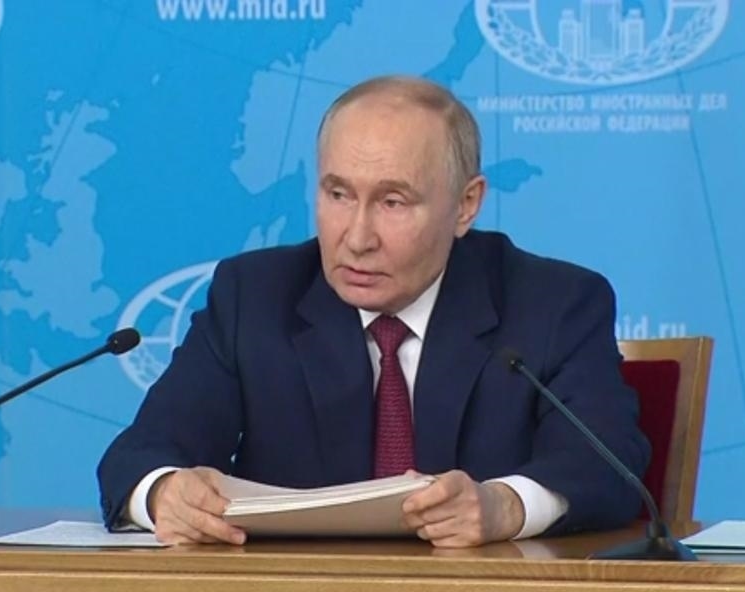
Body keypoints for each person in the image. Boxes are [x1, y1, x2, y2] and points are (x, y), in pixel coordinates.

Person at [97, 75, 649, 548]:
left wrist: (505, 506)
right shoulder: (254, 297)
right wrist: (164, 493)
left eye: (392, 202)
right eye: (338, 195)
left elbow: (608, 464)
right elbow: (139, 455)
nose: (357, 238)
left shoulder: (554, 303)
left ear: (466, 205)